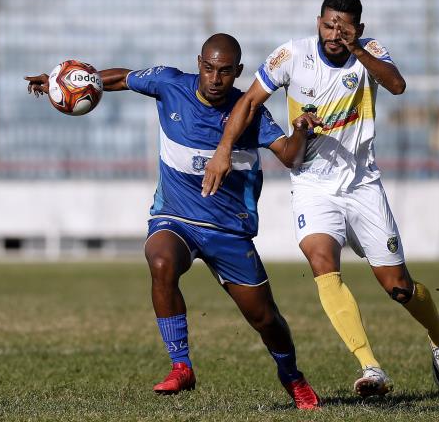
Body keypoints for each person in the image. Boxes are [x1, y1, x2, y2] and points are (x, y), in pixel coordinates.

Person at [24, 34, 322, 410]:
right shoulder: (169, 84)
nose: (215, 78)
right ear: (199, 63)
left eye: (225, 72)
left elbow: (291, 157)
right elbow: (116, 79)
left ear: (238, 72)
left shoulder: (251, 112)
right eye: (209, 68)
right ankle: (181, 365)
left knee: (265, 319)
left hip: (228, 229)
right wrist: (64, 82)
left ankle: (293, 377)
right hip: (175, 218)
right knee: (161, 261)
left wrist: (300, 131)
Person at [201, 0, 439, 397]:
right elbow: (249, 103)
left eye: (343, 27)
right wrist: (223, 149)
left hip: (362, 185)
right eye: (327, 25)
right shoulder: (292, 56)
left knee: (398, 287)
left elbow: (398, 85)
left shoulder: (368, 52)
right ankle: (371, 367)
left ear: (358, 28)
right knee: (322, 262)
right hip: (312, 185)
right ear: (317, 21)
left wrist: (358, 47)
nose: (334, 34)